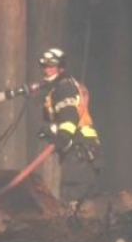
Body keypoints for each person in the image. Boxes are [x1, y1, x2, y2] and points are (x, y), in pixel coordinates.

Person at [35, 48, 103, 214]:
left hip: (80, 150)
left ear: (61, 69)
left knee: (74, 197)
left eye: (52, 66)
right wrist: (51, 132)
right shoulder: (57, 89)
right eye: (45, 66)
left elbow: (69, 117)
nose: (47, 70)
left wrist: (63, 137)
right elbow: (60, 120)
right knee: (72, 197)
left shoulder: (64, 87)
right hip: (77, 150)